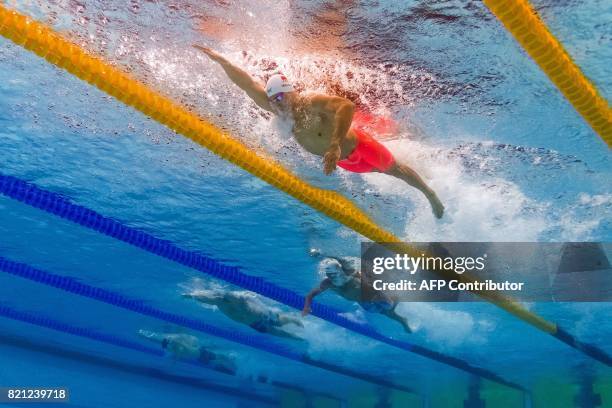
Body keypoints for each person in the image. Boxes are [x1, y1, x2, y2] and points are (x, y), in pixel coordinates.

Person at [193, 45, 445, 218]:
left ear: (291, 90)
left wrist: (335, 144)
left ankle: (430, 193)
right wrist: (221, 60)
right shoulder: (279, 111)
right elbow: (247, 84)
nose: (278, 102)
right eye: (274, 99)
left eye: (281, 95)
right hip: (345, 163)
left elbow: (346, 106)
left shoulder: (310, 101)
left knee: (396, 171)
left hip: (358, 147)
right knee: (381, 175)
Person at [302, 256, 412, 333]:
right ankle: (402, 321)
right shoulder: (327, 283)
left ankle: (401, 291)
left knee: (388, 306)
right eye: (329, 274)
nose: (332, 277)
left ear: (339, 270)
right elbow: (310, 295)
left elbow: (343, 262)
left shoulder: (349, 271)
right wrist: (307, 307)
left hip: (373, 292)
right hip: (362, 301)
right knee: (381, 311)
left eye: (333, 274)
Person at [183, 289, 304, 340]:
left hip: (263, 315)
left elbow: (250, 296)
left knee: (279, 322)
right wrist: (193, 296)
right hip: (253, 323)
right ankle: (297, 338)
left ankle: (293, 320)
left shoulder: (242, 298)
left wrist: (193, 296)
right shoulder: (220, 301)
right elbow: (207, 298)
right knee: (276, 332)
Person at [138, 330, 237, 375]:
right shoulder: (175, 347)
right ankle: (231, 367)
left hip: (201, 353)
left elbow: (176, 352)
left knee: (219, 358)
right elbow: (174, 353)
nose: (170, 343)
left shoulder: (177, 347)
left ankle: (232, 360)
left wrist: (172, 364)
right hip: (199, 356)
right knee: (217, 362)